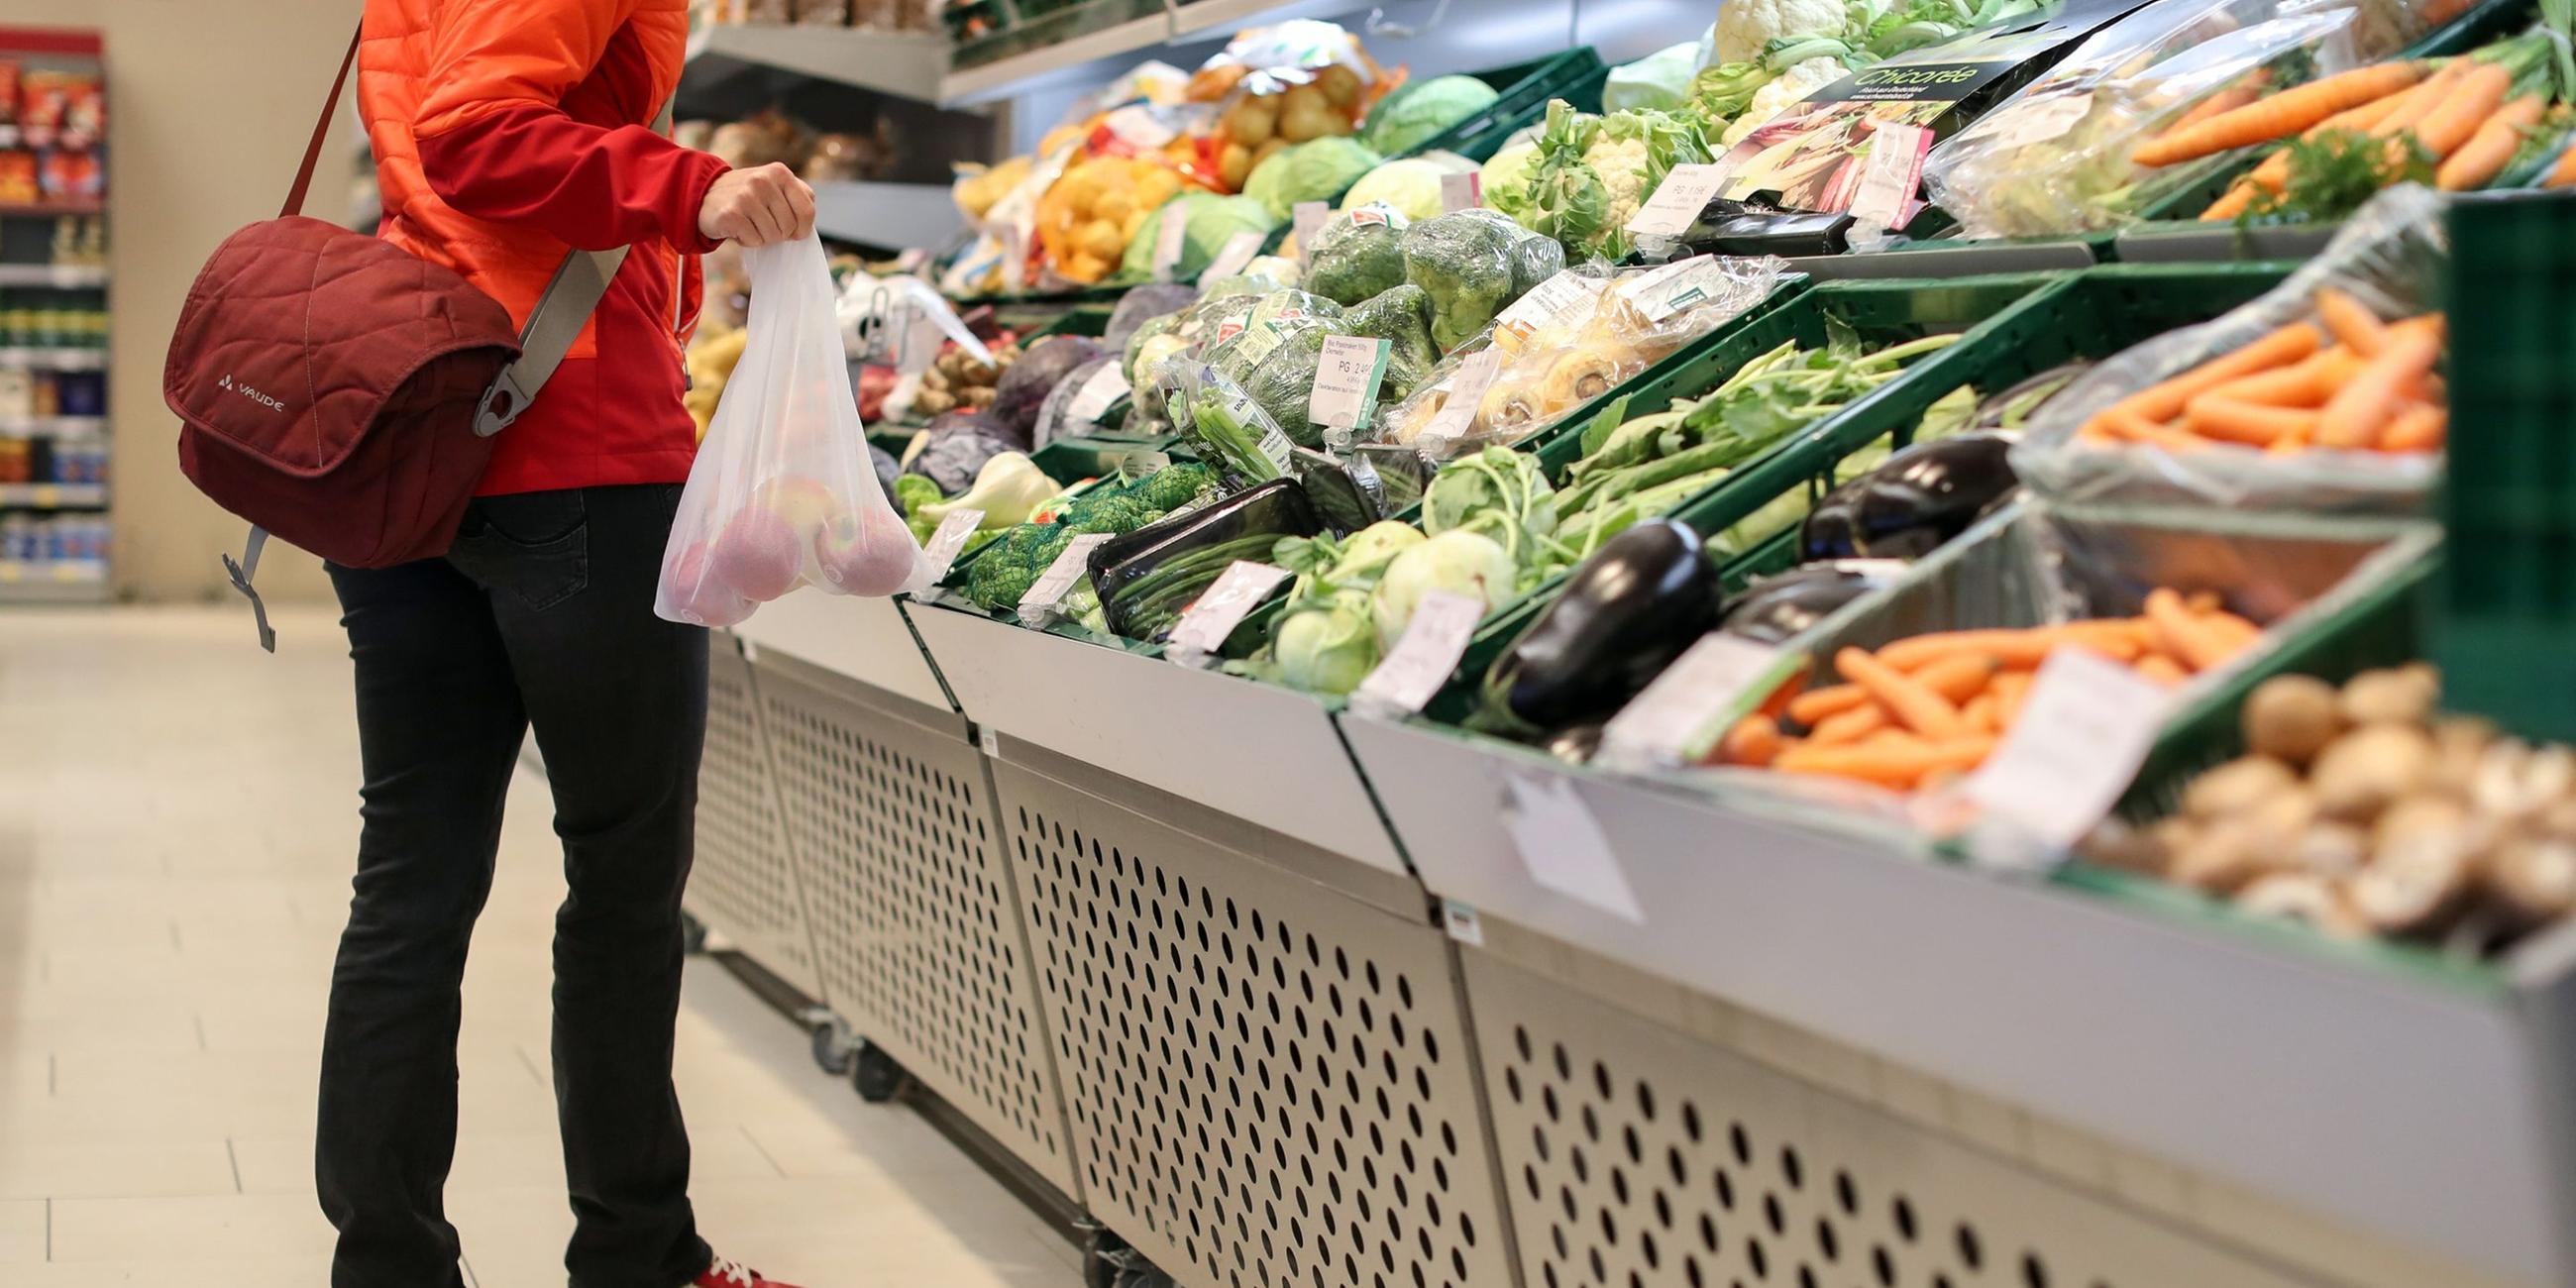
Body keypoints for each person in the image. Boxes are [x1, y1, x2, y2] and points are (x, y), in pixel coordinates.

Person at [323, 3, 816, 1285]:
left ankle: (387, 1265)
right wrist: (693, 186)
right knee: (621, 882)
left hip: (418, 445)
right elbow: (474, 133)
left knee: (412, 884)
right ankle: (637, 1258)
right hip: (579, 448)